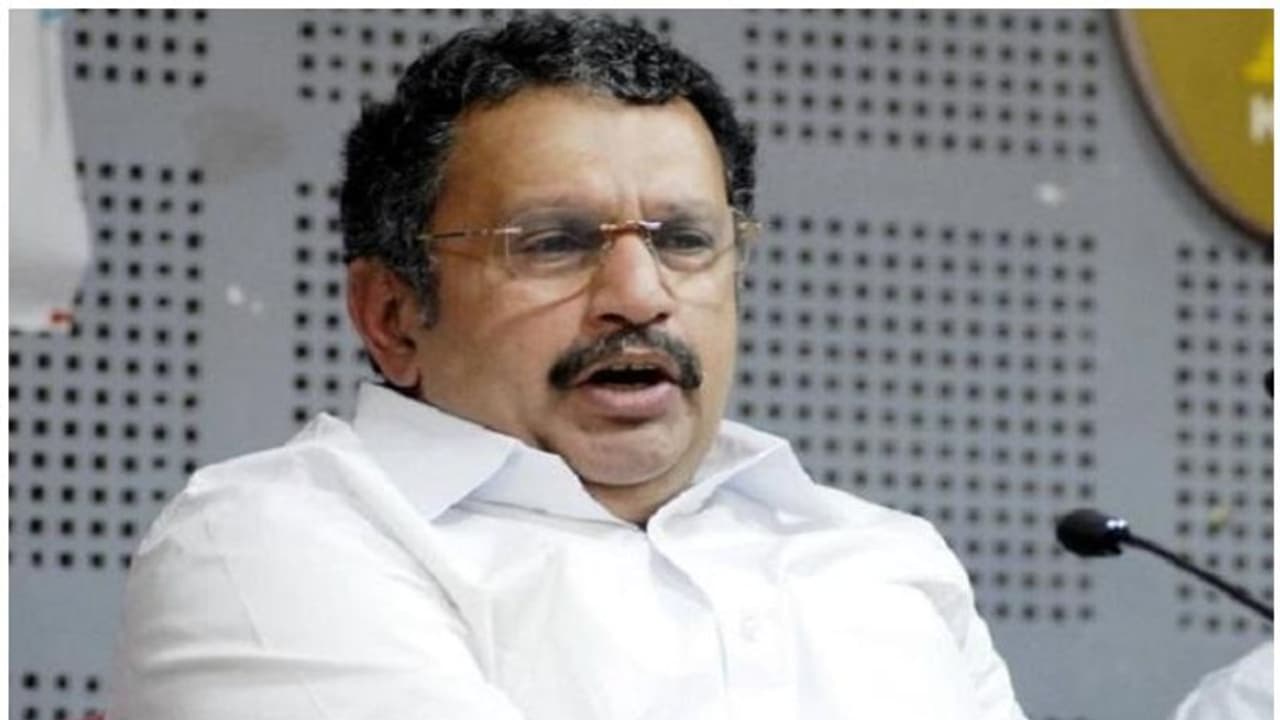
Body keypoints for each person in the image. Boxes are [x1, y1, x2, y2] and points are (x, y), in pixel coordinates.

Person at [109, 14, 1027, 719]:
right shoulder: (274, 537)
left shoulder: (884, 556)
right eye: (554, 242)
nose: (639, 294)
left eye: (685, 240)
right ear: (391, 314)